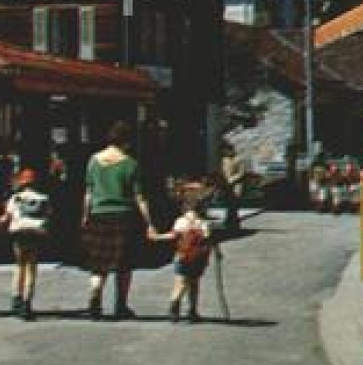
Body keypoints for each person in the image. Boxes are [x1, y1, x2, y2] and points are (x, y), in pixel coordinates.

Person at [80, 120, 156, 320]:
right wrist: (149, 223)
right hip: (123, 216)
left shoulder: (93, 161)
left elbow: (88, 192)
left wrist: (85, 215)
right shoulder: (131, 164)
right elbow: (140, 198)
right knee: (124, 263)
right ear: (127, 142)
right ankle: (120, 305)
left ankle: (95, 295)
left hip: (98, 214)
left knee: (98, 262)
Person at [152, 186, 220, 322]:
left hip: (182, 256)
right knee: (194, 284)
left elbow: (173, 235)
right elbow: (209, 240)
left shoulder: (181, 221)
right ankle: (192, 311)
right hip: (198, 258)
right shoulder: (204, 223)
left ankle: (174, 305)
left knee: (180, 283)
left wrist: (157, 237)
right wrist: (217, 253)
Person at [1, 167, 52, 321]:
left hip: (20, 233)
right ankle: (27, 301)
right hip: (35, 233)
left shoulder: (15, 198)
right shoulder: (44, 198)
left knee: (19, 265)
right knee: (31, 267)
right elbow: (49, 214)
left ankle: (16, 296)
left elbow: (6, 217)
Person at [220, 144, 246, 234]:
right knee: (228, 205)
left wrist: (232, 179)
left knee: (234, 206)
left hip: (236, 186)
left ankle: (234, 226)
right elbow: (223, 171)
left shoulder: (239, 159)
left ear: (231, 150)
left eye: (226, 151)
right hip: (226, 186)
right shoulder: (225, 159)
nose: (225, 153)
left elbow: (241, 173)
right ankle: (229, 225)